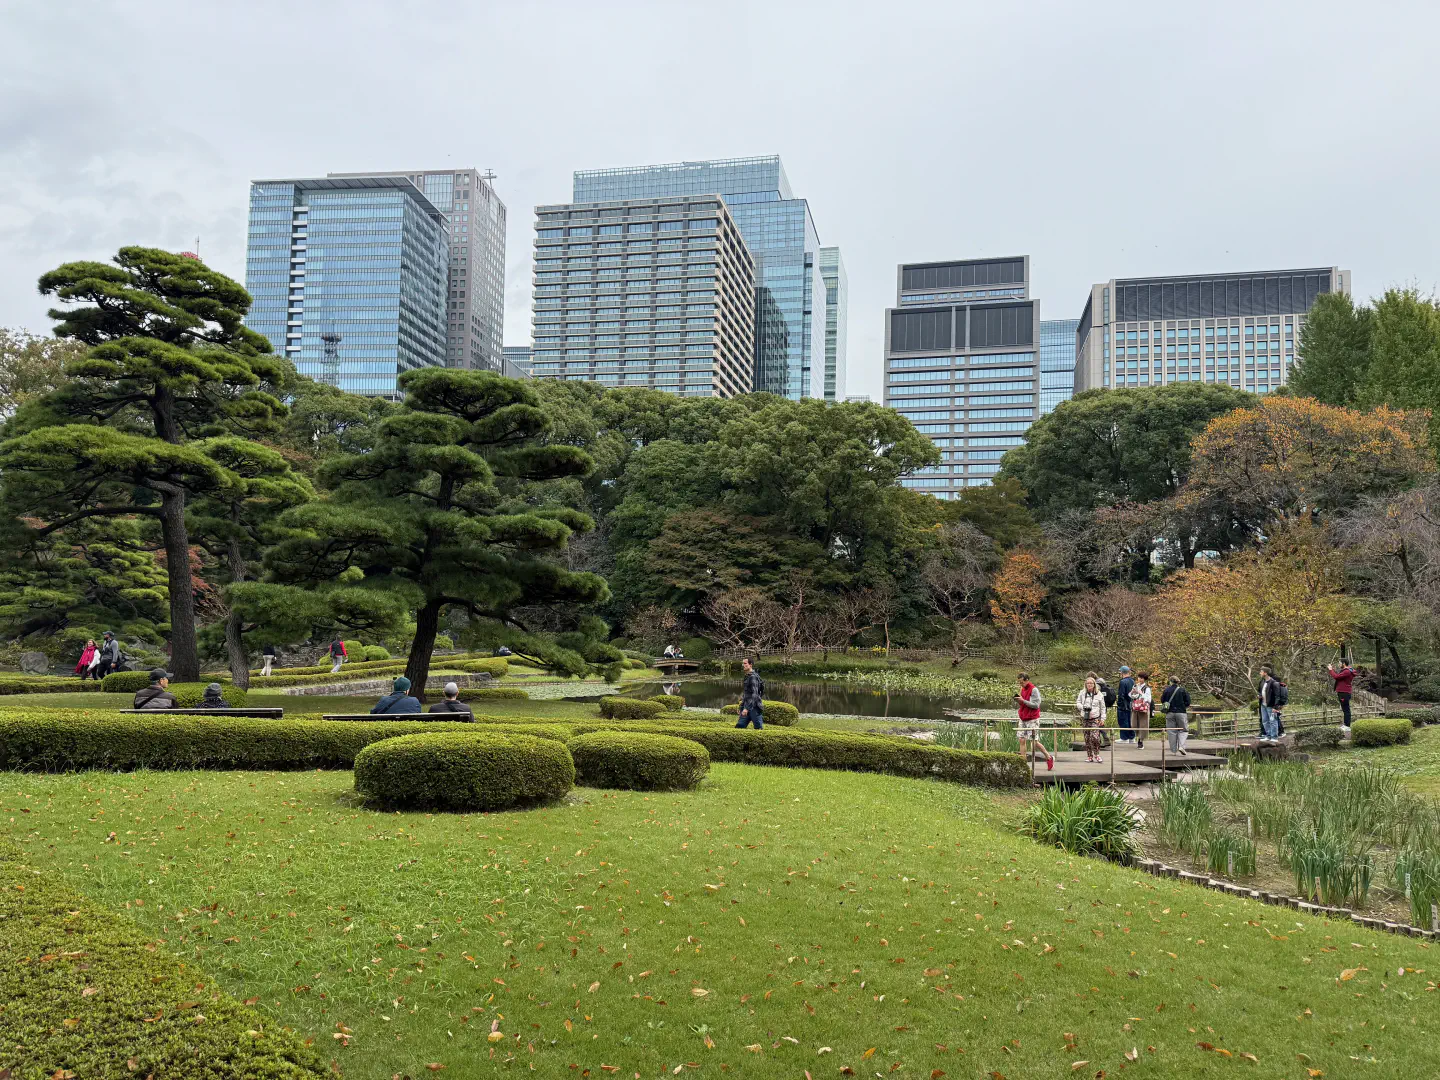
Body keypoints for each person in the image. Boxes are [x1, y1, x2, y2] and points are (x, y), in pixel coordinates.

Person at [1015, 671, 1054, 771]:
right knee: (1021, 739)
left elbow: (1036, 705)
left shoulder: (1034, 690)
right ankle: (1023, 764)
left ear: (1027, 680)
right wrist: (1019, 700)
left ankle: (1048, 757)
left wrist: (1023, 701)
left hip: (1032, 718)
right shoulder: (1022, 688)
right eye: (1019, 682)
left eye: (1022, 682)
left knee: (1034, 742)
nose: (1021, 684)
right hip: (1023, 716)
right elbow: (1023, 703)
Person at [1075, 673, 1107, 764]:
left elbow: (1103, 708)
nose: (1089, 685)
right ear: (1085, 684)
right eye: (1088, 683)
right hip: (1085, 718)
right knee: (1087, 738)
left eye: (1091, 683)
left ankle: (1097, 754)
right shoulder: (1082, 693)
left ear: (1094, 684)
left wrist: (1103, 719)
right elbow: (1078, 703)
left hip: (1095, 718)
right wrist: (1083, 707)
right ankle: (1089, 756)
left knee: (1095, 737)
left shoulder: (1099, 694)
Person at [1161, 675, 1191, 755]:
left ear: (1170, 682)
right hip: (1181, 712)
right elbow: (1188, 702)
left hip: (1170, 713)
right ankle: (1181, 746)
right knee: (1184, 730)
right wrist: (1182, 706)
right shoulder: (1182, 690)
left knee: (1171, 731)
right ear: (1178, 682)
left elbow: (1162, 700)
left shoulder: (1166, 690)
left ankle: (1173, 750)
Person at [736, 657, 764, 729]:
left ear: (750, 665)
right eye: (743, 663)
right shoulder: (747, 676)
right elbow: (746, 694)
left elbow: (755, 694)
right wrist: (742, 706)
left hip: (754, 707)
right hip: (747, 706)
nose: (743, 665)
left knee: (758, 729)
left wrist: (747, 708)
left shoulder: (753, 677)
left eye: (745, 663)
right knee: (740, 726)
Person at [1327, 660, 1356, 728]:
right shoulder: (1346, 671)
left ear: (1344, 664)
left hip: (1344, 693)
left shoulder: (1347, 671)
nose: (1338, 664)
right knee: (1345, 709)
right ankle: (1346, 725)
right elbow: (1339, 676)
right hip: (1343, 692)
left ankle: (1347, 726)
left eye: (1340, 663)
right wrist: (1332, 670)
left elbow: (1337, 677)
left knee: (1346, 710)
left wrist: (1331, 670)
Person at [1128, 670, 1152, 750]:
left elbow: (1148, 699)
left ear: (1144, 679)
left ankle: (1140, 741)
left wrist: (1141, 693)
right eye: (1139, 677)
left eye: (1141, 678)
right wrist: (1133, 692)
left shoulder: (1147, 688)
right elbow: (1130, 695)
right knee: (1134, 724)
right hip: (1135, 707)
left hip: (1143, 708)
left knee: (1143, 725)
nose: (1140, 679)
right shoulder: (1135, 685)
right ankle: (1137, 736)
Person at [1258, 665, 1280, 742]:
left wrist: (1276, 707)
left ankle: (1274, 737)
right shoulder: (1262, 681)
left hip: (1271, 706)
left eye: (1261, 672)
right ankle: (1268, 736)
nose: (1260, 673)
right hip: (1263, 705)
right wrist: (1260, 695)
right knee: (1265, 721)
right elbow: (1260, 691)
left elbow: (1277, 696)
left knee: (1273, 721)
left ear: (1265, 673)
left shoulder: (1274, 683)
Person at [1115, 666, 1136, 744]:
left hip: (1124, 705)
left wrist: (1119, 703)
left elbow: (1121, 695)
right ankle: (1132, 737)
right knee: (1131, 721)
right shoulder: (1132, 681)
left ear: (1122, 672)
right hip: (1131, 704)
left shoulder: (1122, 682)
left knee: (1123, 721)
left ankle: (1124, 738)